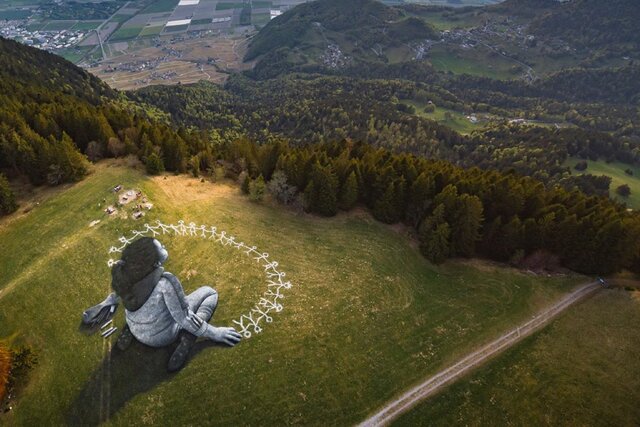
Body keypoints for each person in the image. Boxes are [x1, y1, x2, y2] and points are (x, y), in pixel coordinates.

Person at [83, 237, 241, 372]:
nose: (164, 245)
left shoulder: (126, 277)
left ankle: (129, 333)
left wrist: (95, 311)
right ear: (154, 261)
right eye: (160, 246)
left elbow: (113, 299)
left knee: (147, 307)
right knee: (209, 292)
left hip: (137, 330)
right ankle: (187, 339)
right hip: (162, 337)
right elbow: (184, 318)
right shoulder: (166, 282)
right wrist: (216, 333)